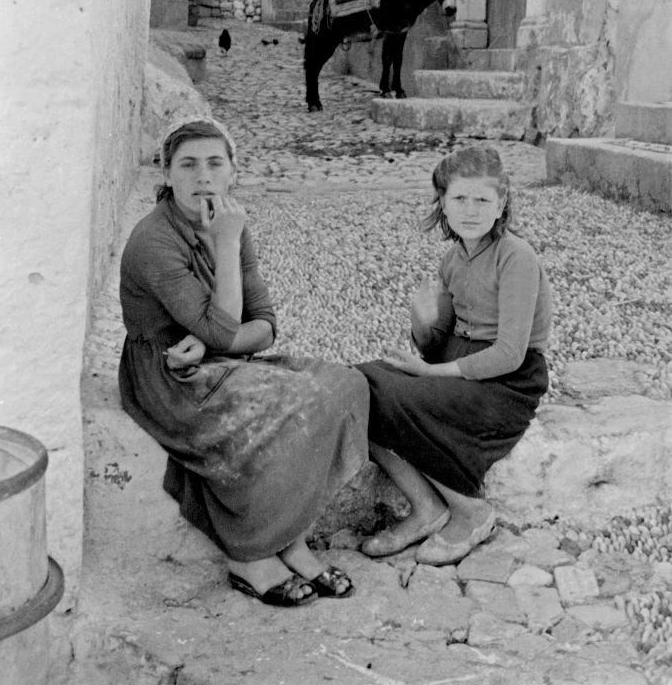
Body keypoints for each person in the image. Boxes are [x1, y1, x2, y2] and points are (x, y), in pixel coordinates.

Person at [119, 116, 369, 606]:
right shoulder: (155, 240)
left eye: (215, 163)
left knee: (346, 385)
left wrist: (221, 337)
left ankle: (289, 538)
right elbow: (224, 326)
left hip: (215, 358)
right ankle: (248, 553)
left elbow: (263, 324)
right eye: (187, 165)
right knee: (293, 400)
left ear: (232, 171)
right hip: (170, 375)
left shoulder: (227, 220)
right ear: (167, 174)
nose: (203, 177)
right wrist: (226, 250)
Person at [357, 144, 550, 563]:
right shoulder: (453, 259)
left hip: (506, 385)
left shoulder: (517, 258)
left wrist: (427, 375)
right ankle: (426, 508)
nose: (471, 209)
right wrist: (423, 326)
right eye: (459, 198)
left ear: (501, 205)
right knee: (360, 384)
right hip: (460, 367)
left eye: (482, 200)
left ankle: (470, 510)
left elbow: (510, 355)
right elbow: (434, 346)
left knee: (392, 395)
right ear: (442, 203)